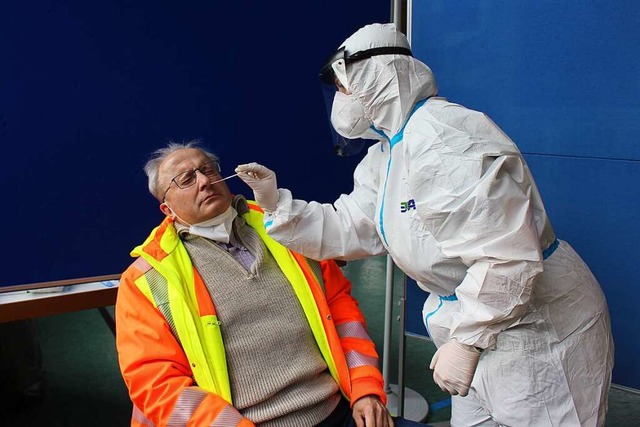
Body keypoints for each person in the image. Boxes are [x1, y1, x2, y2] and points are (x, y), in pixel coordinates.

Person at [235, 23, 615, 427]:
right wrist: (276, 204)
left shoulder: (444, 139)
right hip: (478, 322)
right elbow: (352, 225)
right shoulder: (389, 153)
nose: (340, 102)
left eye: (344, 88)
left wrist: (468, 339)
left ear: (377, 77)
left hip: (535, 329)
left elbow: (507, 258)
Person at [115, 141, 430, 427]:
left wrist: (365, 389)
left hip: (339, 412)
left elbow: (343, 315)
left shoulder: (283, 227)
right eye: (185, 179)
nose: (204, 181)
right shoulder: (146, 280)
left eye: (208, 169)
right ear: (166, 208)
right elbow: (156, 383)